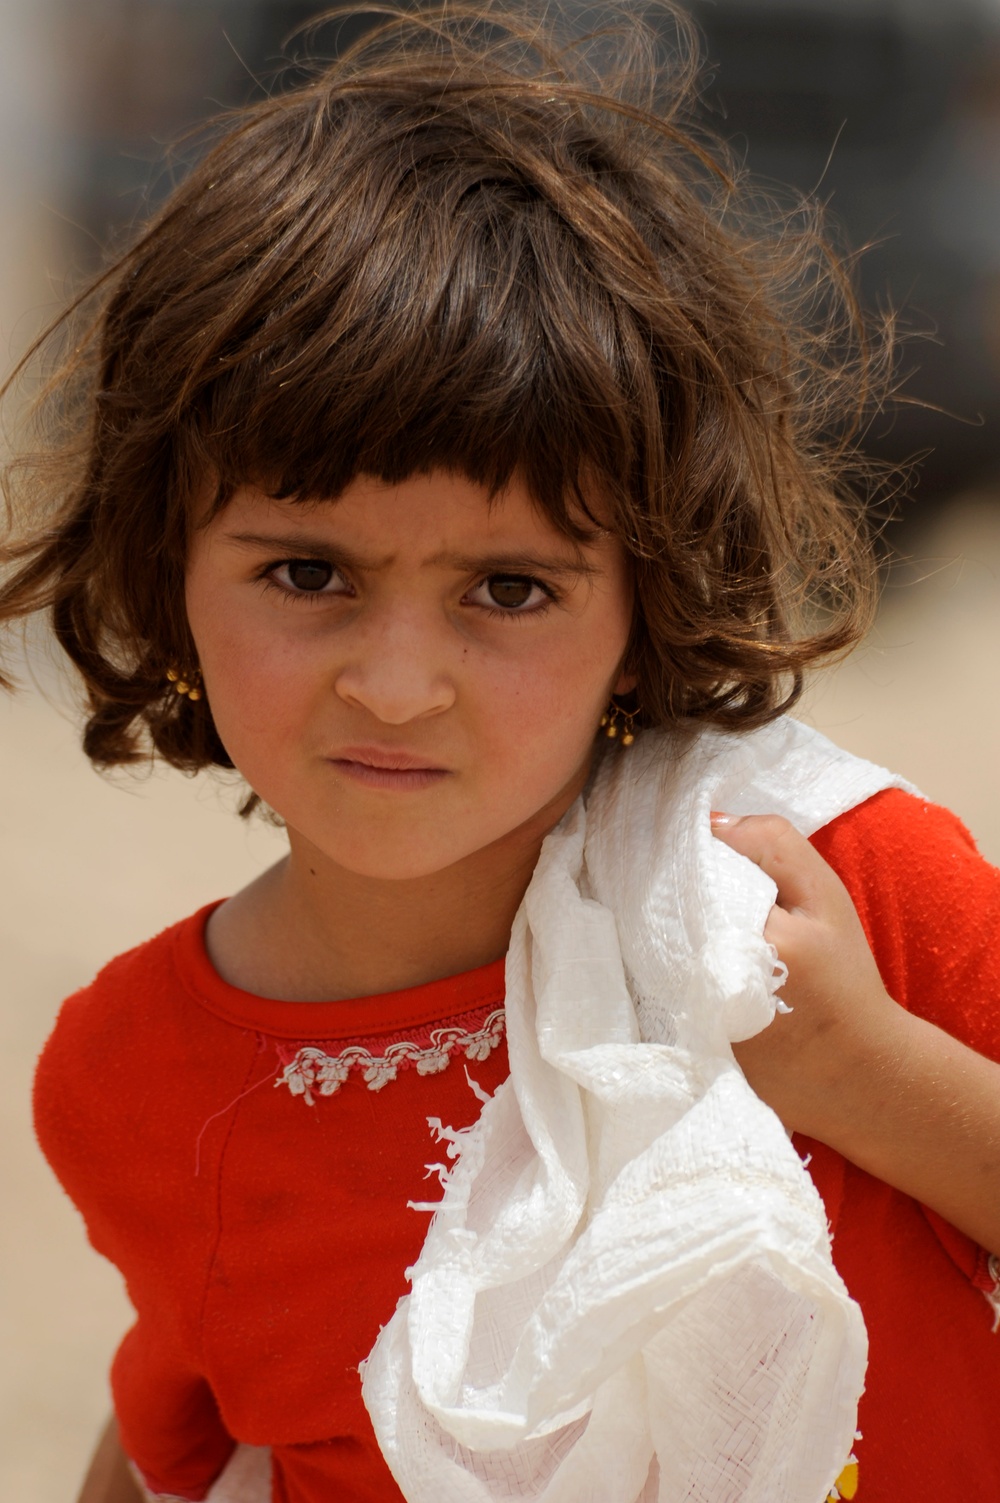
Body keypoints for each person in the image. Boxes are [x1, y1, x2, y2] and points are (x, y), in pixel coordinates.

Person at [2, 5, 998, 1501]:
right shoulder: (139, 1072)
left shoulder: (829, 908)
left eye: (510, 591)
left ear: (648, 603)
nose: (398, 685)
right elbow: (188, 1435)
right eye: (308, 574)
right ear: (164, 571)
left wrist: (869, 1077)